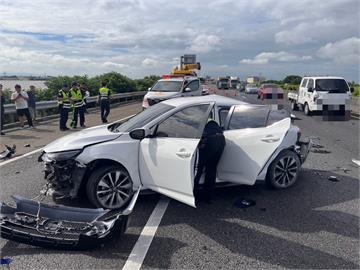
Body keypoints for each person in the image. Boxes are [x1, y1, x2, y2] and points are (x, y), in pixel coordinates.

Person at [194, 117, 226, 203]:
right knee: (211, 168)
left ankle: (192, 195)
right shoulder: (209, 118)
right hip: (221, 140)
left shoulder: (195, 117)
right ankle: (208, 197)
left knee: (197, 168)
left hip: (210, 139)